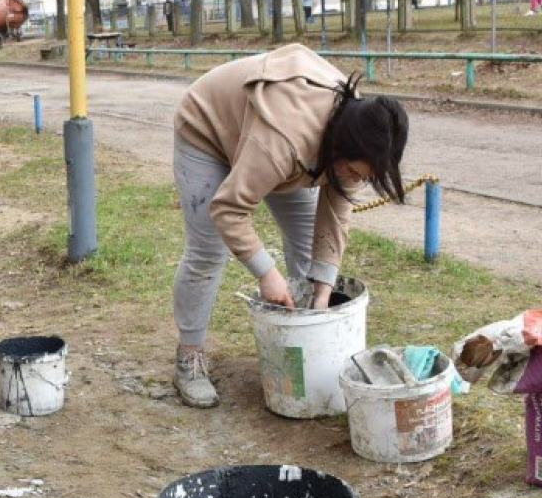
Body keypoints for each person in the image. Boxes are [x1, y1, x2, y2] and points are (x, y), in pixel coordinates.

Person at [170, 43, 409, 408]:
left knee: (306, 248)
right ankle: (189, 357)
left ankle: (306, 349)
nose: (353, 179)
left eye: (362, 175)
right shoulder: (282, 142)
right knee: (207, 252)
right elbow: (229, 209)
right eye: (352, 171)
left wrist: (324, 291)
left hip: (287, 150)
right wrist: (266, 273)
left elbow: (335, 212)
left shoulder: (364, 136)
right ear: (338, 148)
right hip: (209, 131)